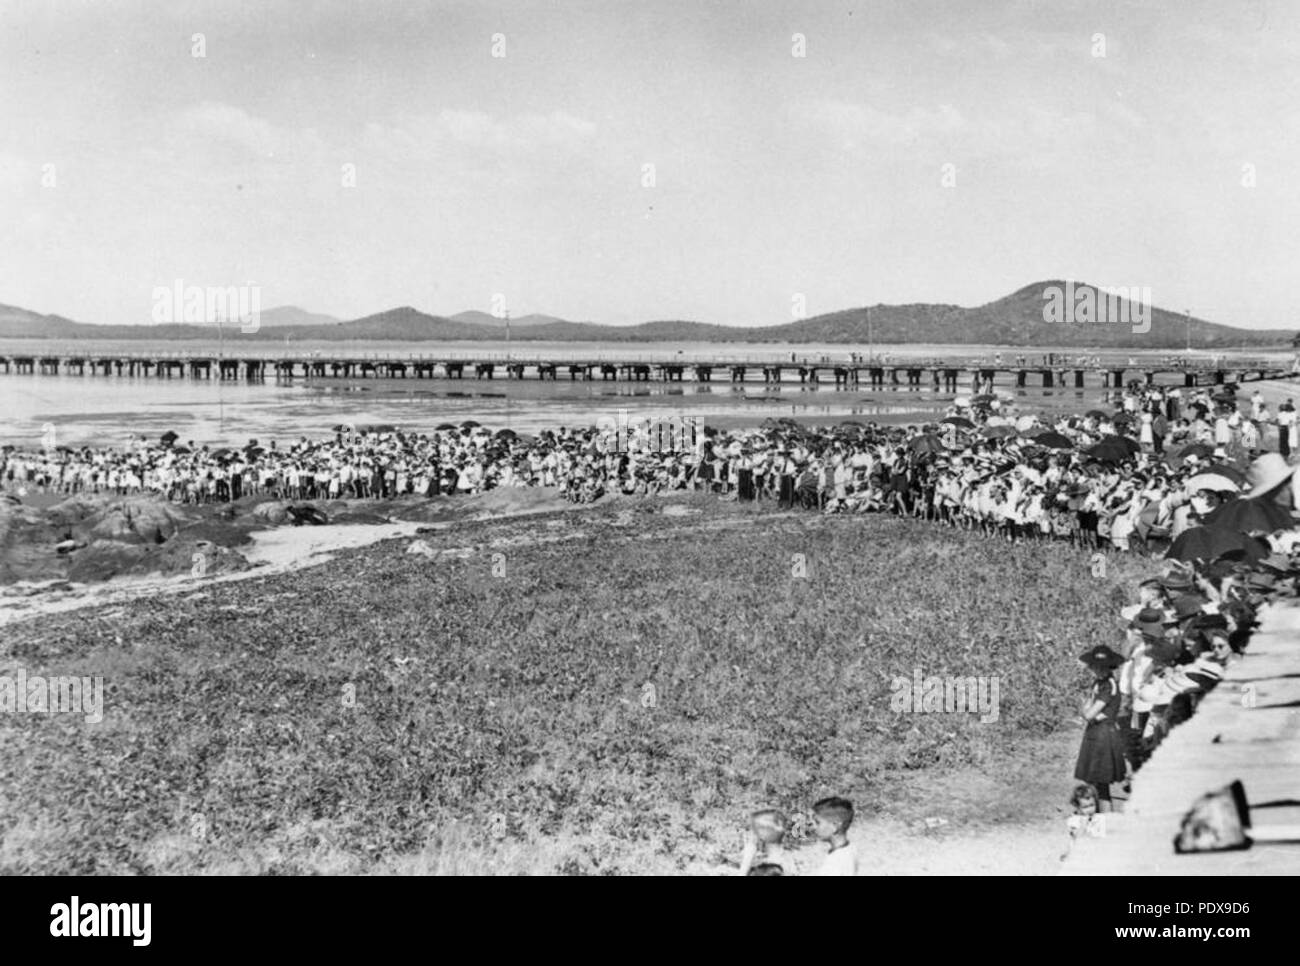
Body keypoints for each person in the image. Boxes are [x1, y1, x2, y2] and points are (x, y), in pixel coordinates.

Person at [1074, 644, 1127, 812]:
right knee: (1095, 784)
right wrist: (1088, 711)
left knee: (1101, 785)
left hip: (1104, 735)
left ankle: (1104, 825)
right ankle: (1100, 825)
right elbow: (1089, 711)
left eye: (1100, 666)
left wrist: (1087, 711)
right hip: (1096, 732)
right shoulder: (1100, 683)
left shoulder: (1108, 685)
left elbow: (1088, 713)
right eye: (1095, 666)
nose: (1096, 669)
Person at [737, 809, 798, 876]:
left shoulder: (771, 870)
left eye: (754, 830)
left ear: (762, 835)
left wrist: (747, 859)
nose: (750, 834)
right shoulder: (787, 859)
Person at [811, 796, 859, 875]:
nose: (813, 827)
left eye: (817, 822)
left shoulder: (834, 863)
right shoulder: (850, 849)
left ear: (835, 826)